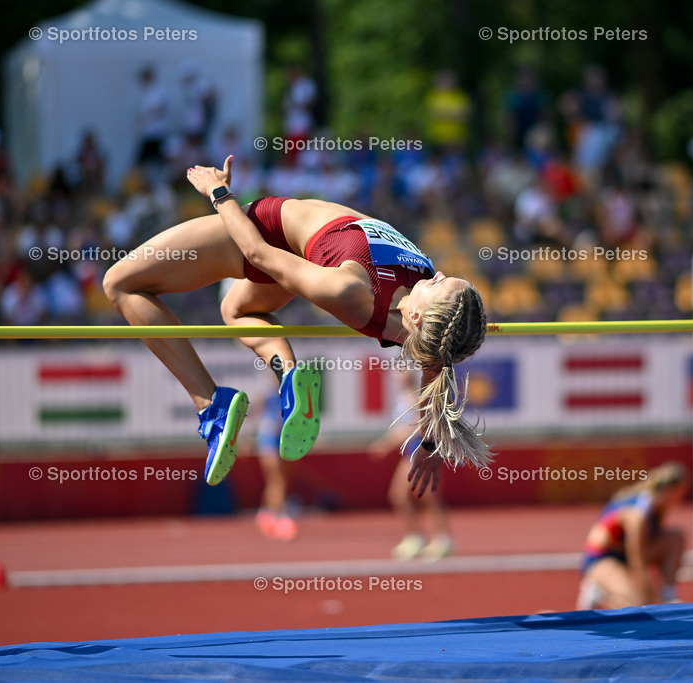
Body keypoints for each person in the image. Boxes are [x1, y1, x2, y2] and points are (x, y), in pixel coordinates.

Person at [102, 155, 490, 490]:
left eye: (440, 284)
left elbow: (257, 253)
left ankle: (211, 404)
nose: (438, 274)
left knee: (119, 284)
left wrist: (218, 192)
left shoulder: (351, 291)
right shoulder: (427, 335)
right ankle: (287, 376)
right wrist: (429, 445)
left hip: (270, 231)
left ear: (418, 317)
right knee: (237, 311)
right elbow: (435, 376)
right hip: (307, 255)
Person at [576, 462, 689, 610]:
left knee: (675, 538)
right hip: (603, 559)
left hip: (625, 555)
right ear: (671, 490)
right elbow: (636, 557)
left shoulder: (658, 508)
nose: (682, 497)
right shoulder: (638, 512)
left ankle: (668, 594)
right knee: (640, 605)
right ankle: (598, 591)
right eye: (681, 491)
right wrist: (646, 589)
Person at [369, 370, 452, 561]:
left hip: (422, 449)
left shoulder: (415, 395)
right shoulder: (405, 396)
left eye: (403, 371)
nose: (398, 375)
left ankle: (442, 539)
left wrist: (387, 444)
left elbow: (418, 426)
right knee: (401, 496)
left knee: (426, 495)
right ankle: (416, 538)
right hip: (412, 451)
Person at [252, 383, 298, 541]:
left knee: (279, 480)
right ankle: (280, 516)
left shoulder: (292, 391)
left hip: (284, 437)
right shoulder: (266, 391)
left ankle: (265, 513)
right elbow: (255, 413)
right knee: (277, 479)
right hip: (269, 438)